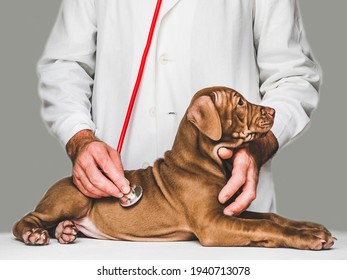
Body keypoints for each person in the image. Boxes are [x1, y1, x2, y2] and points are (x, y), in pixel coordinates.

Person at [37, 0, 320, 216]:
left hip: (229, 209)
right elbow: (66, 65)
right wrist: (79, 138)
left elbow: (292, 77)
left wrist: (259, 146)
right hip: (115, 208)